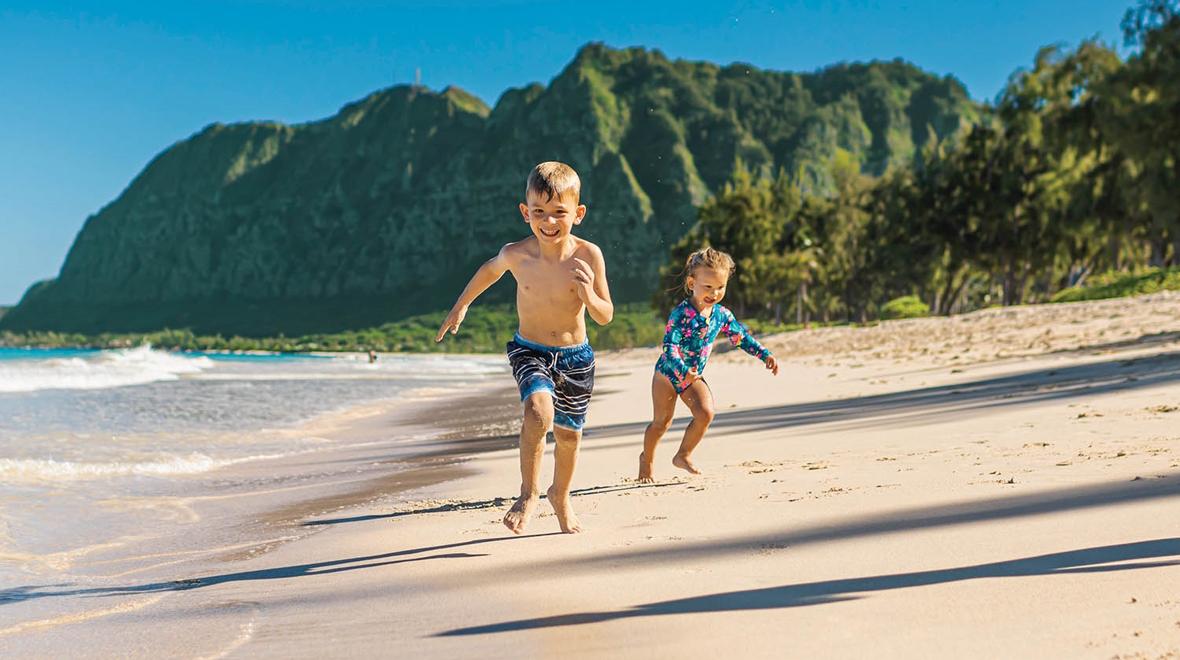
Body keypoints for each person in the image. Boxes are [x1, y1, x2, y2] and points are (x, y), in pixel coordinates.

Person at [436, 161, 613, 534]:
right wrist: (461, 304)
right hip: (529, 350)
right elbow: (490, 269)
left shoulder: (588, 256)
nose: (548, 222)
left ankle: (560, 495)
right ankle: (528, 492)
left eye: (559, 213)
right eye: (539, 213)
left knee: (568, 436)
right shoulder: (517, 253)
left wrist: (588, 295)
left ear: (578, 214)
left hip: (576, 357)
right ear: (525, 212)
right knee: (537, 412)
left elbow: (605, 315)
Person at [638, 247, 778, 483]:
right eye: (708, 287)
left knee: (705, 413)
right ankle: (647, 460)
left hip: (693, 378)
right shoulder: (680, 314)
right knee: (661, 423)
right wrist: (683, 370)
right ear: (692, 283)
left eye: (720, 287)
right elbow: (669, 347)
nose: (714, 293)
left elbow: (741, 338)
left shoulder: (722, 315)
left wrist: (764, 354)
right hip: (667, 374)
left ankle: (683, 455)